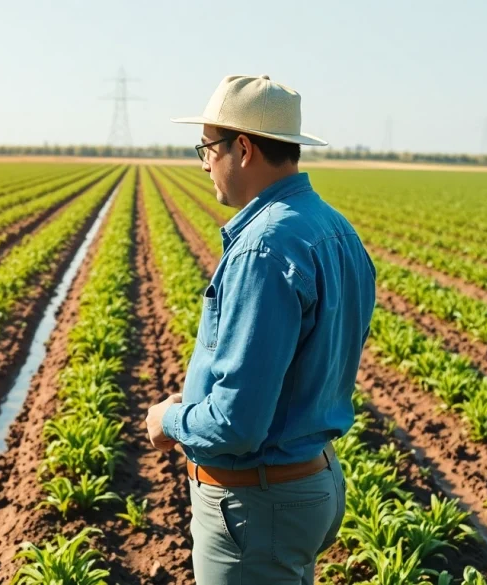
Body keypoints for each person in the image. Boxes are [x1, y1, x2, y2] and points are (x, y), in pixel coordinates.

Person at [145, 74, 376, 584]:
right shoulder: (334, 229)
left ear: (243, 148)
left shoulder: (264, 249)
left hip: (257, 503)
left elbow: (237, 424)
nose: (204, 162)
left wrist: (170, 420)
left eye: (206, 148)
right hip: (310, 479)